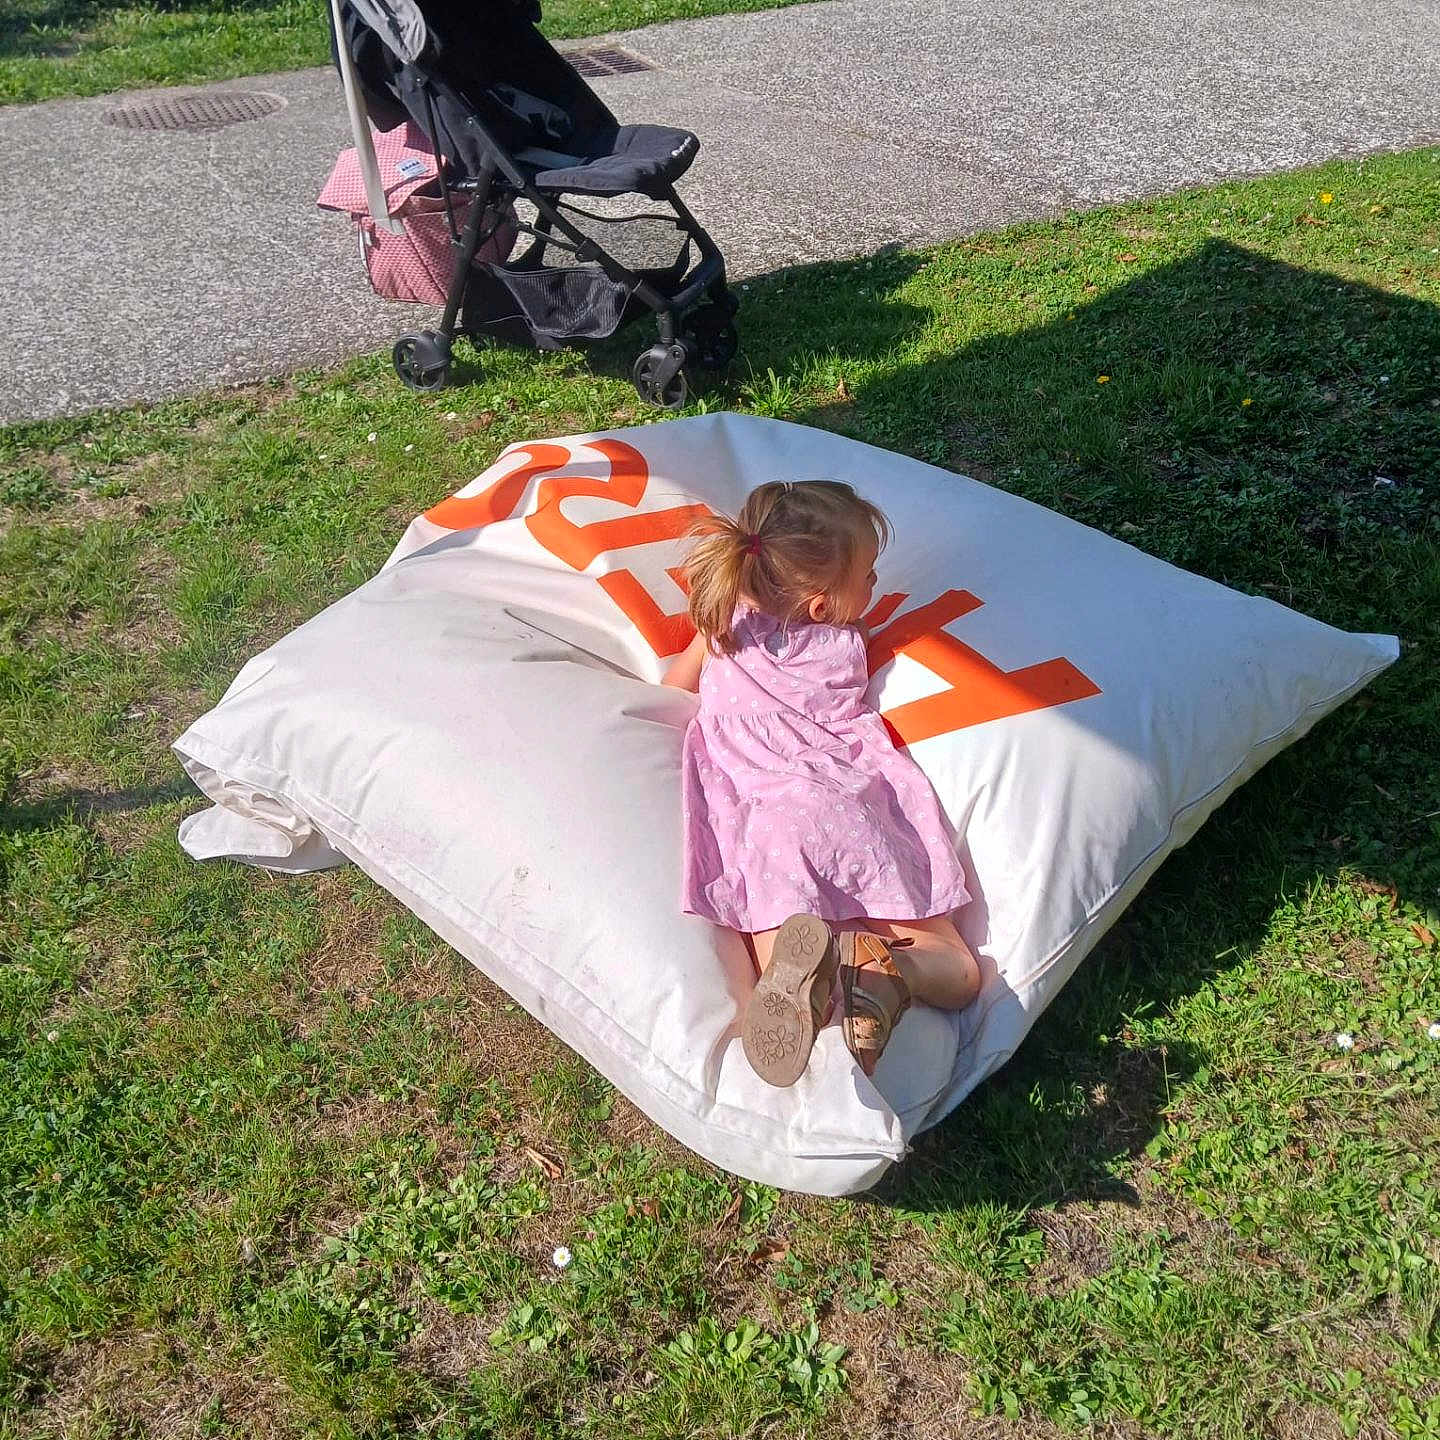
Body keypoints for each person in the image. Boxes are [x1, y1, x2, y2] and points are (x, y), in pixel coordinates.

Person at [662, 480, 981, 1087]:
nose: (875, 586)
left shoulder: (720, 625)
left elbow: (672, 691)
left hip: (763, 813)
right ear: (820, 606)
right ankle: (898, 971)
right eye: (868, 575)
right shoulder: (844, 641)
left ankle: (813, 973)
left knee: (778, 952)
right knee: (960, 974)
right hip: (847, 801)